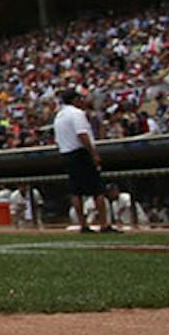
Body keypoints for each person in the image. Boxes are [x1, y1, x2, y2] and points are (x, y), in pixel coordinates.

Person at [53, 87, 113, 233]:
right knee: (97, 190)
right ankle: (104, 224)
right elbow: (82, 135)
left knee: (77, 192)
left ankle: (83, 224)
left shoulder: (59, 116)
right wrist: (94, 154)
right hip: (81, 152)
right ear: (74, 100)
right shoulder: (76, 113)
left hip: (67, 154)